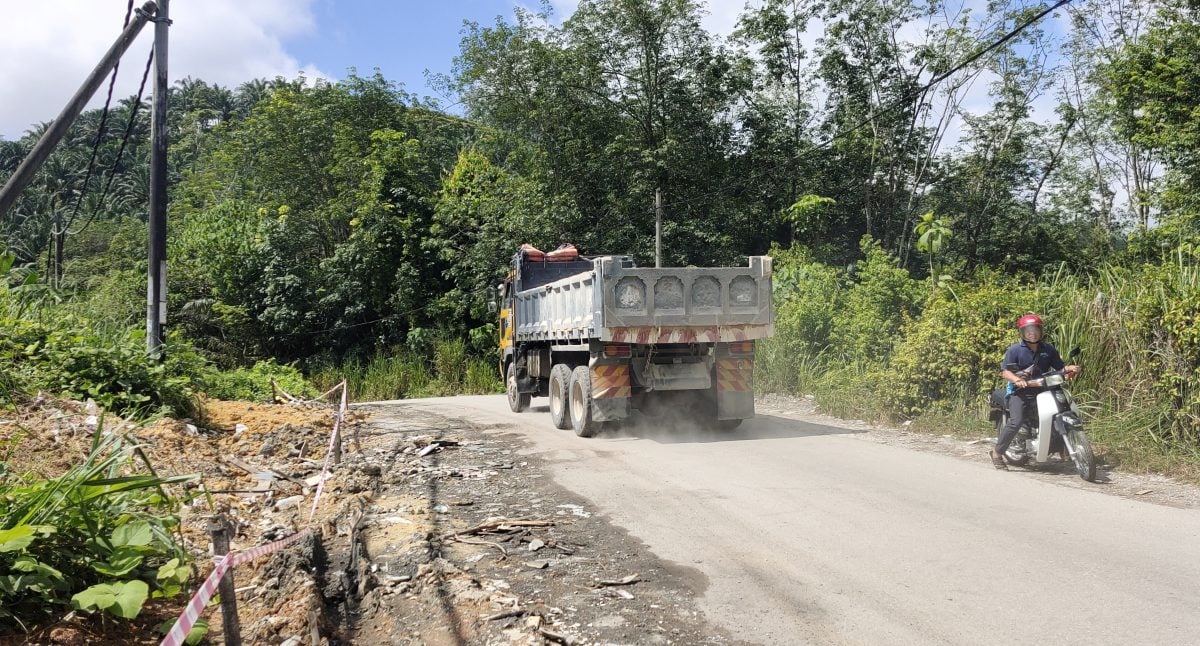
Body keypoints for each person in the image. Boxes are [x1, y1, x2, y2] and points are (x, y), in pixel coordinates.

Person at [990, 314, 1080, 470]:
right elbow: (1005, 372)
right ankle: (997, 453)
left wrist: (1070, 368)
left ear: (1041, 331)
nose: (1033, 333)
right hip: (1020, 392)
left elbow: (1060, 368)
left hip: (1044, 390)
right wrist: (1017, 380)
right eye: (1029, 330)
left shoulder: (1048, 349)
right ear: (1023, 332)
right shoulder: (1015, 350)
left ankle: (1061, 446)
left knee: (1061, 410)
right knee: (1016, 421)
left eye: (1036, 329)